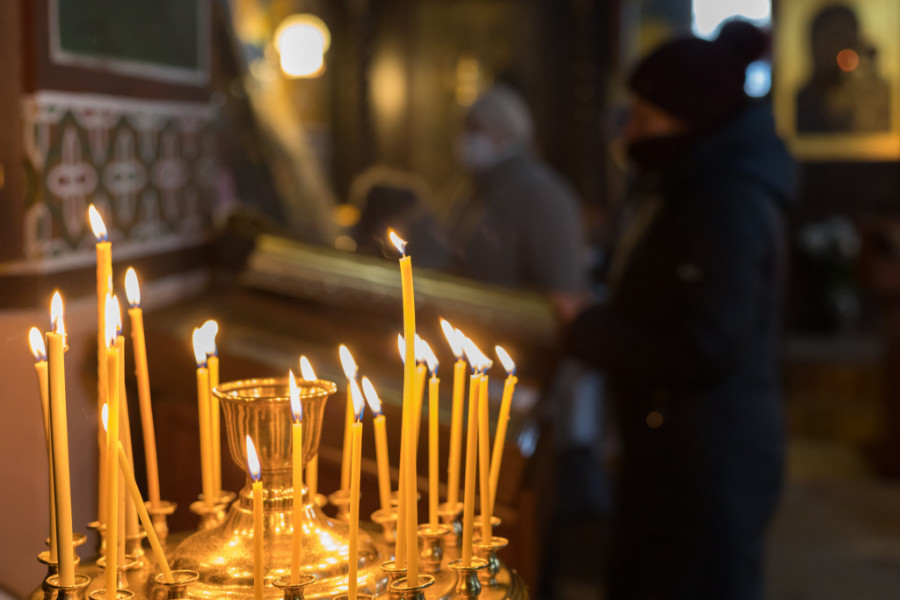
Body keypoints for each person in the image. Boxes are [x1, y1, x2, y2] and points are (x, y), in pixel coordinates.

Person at [563, 21, 795, 600]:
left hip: (709, 465)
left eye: (646, 115)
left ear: (690, 116)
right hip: (677, 454)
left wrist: (588, 330)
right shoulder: (690, 183)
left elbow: (705, 345)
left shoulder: (726, 201)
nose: (632, 131)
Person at [452, 84, 586, 297]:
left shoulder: (542, 195)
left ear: (502, 132)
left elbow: (562, 288)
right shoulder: (475, 191)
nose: (465, 139)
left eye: (474, 129)